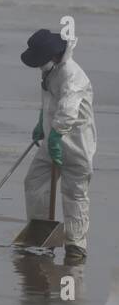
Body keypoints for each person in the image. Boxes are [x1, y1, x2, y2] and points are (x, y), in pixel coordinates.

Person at [21, 29, 96, 263]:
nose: (38, 66)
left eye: (40, 61)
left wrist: (56, 136)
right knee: (33, 182)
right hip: (51, 136)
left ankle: (75, 245)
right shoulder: (50, 71)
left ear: (53, 56)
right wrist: (40, 123)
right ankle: (41, 233)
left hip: (76, 144)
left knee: (74, 193)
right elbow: (50, 101)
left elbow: (68, 110)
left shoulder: (73, 76)